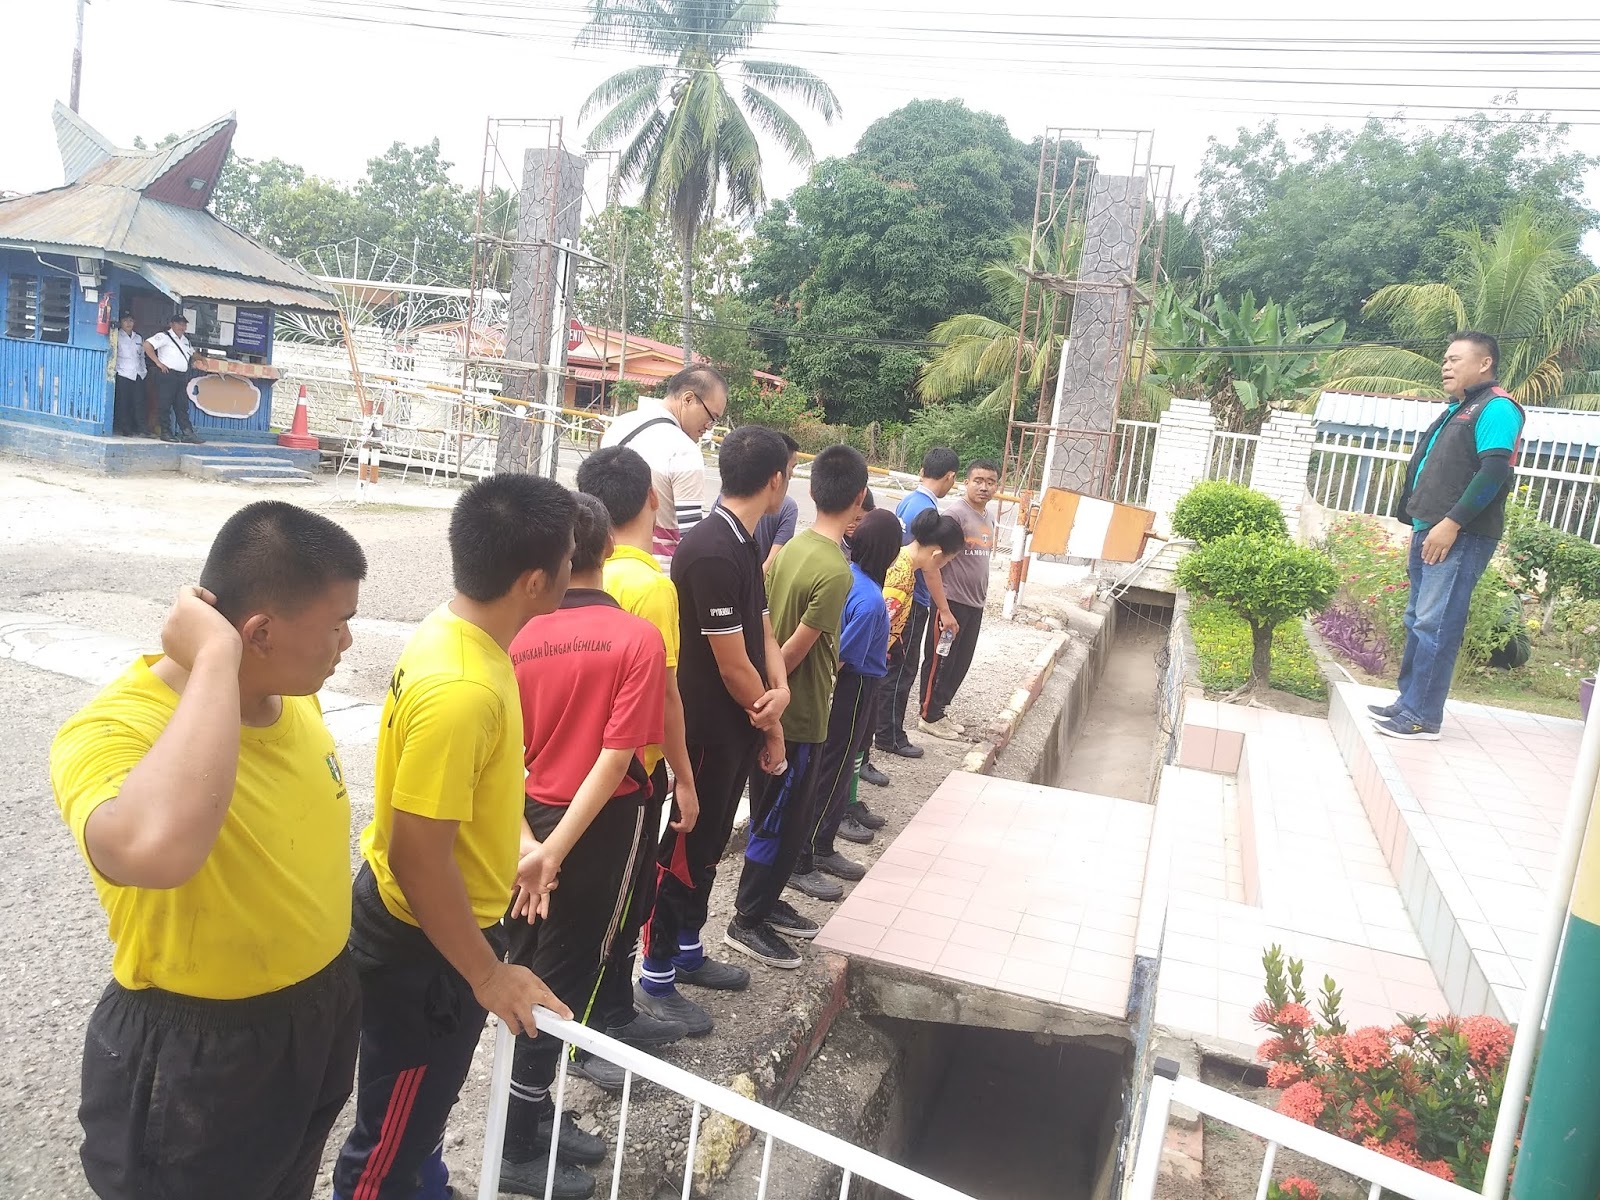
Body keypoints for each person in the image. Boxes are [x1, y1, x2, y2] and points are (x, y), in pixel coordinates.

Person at [50, 502, 369, 1200]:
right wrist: (215, 660)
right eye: (338, 622)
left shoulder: (291, 695)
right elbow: (155, 851)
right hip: (203, 1048)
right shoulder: (114, 729)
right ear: (259, 634)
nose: (347, 641)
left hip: (317, 1010)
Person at [334, 476, 576, 1200]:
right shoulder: (464, 689)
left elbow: (460, 796)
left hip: (440, 930)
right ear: (534, 581)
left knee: (422, 1114)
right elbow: (416, 857)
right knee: (388, 1142)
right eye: (568, 558)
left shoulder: (458, 631)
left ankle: (425, 1182)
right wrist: (487, 974)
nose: (575, 567)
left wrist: (514, 846)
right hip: (424, 949)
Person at [499, 494, 677, 1199]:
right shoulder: (637, 638)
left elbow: (501, 753)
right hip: (599, 824)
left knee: (522, 963)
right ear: (606, 548)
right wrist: (555, 852)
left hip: (523, 818)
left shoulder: (517, 634)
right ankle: (519, 1138)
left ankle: (528, 1111)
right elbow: (616, 757)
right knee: (567, 974)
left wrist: (529, 843)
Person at [642, 426, 792, 1008]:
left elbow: (763, 629)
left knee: (709, 844)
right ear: (775, 480)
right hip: (705, 727)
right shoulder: (710, 548)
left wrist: (780, 688)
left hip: (738, 723)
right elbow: (731, 667)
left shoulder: (743, 539)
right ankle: (655, 970)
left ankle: (687, 947)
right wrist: (772, 721)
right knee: (687, 842)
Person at [573, 445, 706, 1083]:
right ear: (654, 499)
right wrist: (684, 778)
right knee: (619, 903)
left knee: (604, 901)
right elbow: (667, 696)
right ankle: (594, 1031)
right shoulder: (651, 586)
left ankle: (615, 1012)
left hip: (572, 765)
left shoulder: (579, 577)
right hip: (631, 771)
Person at [727, 444, 867, 969]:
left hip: (776, 708)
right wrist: (771, 701)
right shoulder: (836, 570)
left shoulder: (793, 549)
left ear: (810, 489)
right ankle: (747, 919)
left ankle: (766, 901)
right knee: (780, 822)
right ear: (859, 498)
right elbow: (791, 652)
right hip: (797, 715)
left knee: (778, 816)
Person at [1370, 332, 1526, 742]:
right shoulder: (1458, 409)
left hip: (1460, 534)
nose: (1446, 365)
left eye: (1455, 358)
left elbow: (1494, 472)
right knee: (1418, 619)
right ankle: (1408, 703)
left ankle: (1423, 718)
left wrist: (1452, 523)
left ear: (1485, 363)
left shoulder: (1497, 407)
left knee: (1436, 623)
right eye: (1445, 359)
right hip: (1430, 528)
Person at [791, 508, 903, 895]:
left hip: (847, 686)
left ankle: (820, 843)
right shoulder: (871, 600)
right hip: (854, 688)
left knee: (834, 765)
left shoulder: (849, 577)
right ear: (891, 553)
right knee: (836, 769)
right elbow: (841, 656)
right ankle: (811, 852)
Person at [874, 448, 960, 759]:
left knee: (894, 668)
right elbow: (930, 566)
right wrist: (944, 609)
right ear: (950, 477)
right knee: (900, 669)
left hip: (906, 596)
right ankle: (889, 734)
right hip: (910, 602)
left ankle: (884, 730)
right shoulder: (925, 512)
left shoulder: (910, 501)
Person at [599, 365, 727, 562]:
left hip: (607, 563)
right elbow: (691, 539)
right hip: (659, 569)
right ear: (688, 399)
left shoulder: (619, 426)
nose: (709, 427)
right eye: (712, 417)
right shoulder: (684, 450)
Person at [919, 459, 999, 740]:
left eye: (990, 482)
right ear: (966, 482)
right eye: (978, 481)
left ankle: (940, 711)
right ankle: (928, 715)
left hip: (974, 604)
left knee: (959, 663)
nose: (984, 487)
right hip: (951, 602)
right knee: (940, 660)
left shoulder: (988, 517)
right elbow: (932, 564)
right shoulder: (955, 515)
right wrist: (943, 609)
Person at [144, 310, 202, 444]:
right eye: (179, 324)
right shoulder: (164, 336)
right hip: (167, 375)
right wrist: (158, 363)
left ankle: (187, 433)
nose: (182, 327)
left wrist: (202, 359)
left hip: (181, 376)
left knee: (182, 405)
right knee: (164, 404)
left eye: (184, 324)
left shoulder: (185, 340)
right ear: (172, 324)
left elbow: (192, 353)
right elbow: (147, 345)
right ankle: (165, 432)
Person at [756, 433, 802, 572]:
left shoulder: (727, 498)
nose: (792, 474)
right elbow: (773, 561)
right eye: (792, 467)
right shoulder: (788, 507)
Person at [109, 311, 147, 437]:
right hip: (123, 373)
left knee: (138, 402)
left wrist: (143, 371)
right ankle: (125, 428)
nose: (128, 323)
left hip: (137, 373)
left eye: (131, 320)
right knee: (124, 402)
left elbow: (141, 356)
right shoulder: (116, 336)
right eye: (125, 321)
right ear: (121, 322)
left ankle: (140, 428)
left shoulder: (138, 338)